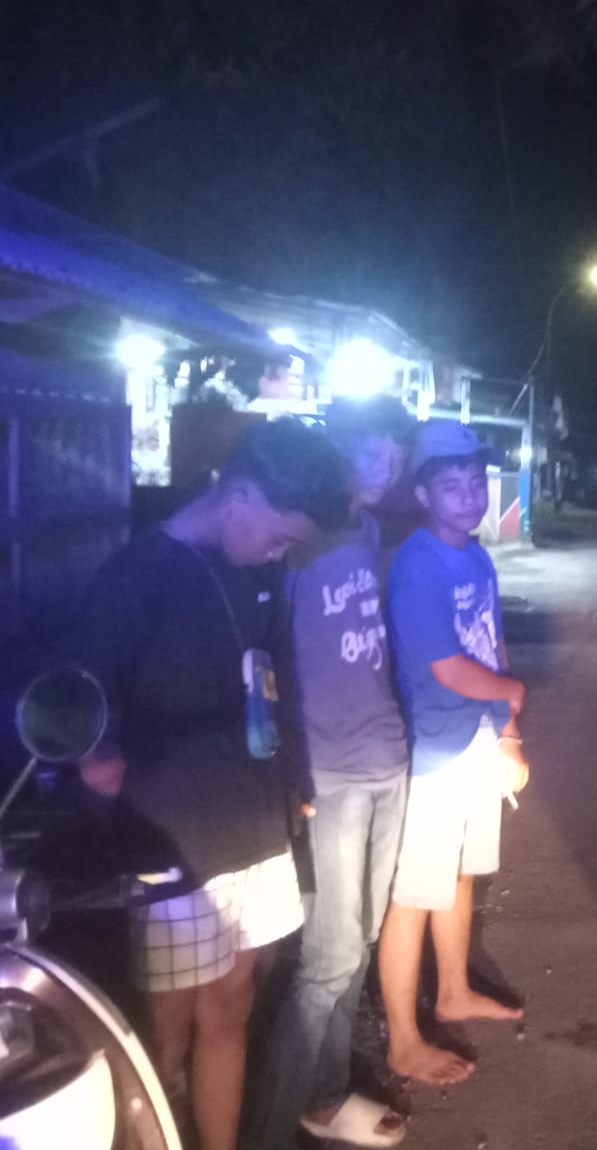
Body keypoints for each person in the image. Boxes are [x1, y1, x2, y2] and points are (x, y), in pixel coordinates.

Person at [76, 417, 350, 1150]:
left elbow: (277, 676)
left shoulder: (257, 567)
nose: (282, 554)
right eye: (280, 537)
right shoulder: (136, 576)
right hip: (172, 842)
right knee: (163, 1032)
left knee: (232, 1006)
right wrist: (97, 759)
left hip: (255, 823)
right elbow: (87, 700)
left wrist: (294, 779)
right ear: (238, 499)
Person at [243, 400, 473, 1150]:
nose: (387, 470)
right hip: (330, 770)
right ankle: (267, 1131)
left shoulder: (371, 530)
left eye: (395, 459)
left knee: (361, 940)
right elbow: (268, 658)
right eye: (375, 454)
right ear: (340, 450)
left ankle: (323, 1096)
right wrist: (288, 769)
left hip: (387, 758)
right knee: (328, 959)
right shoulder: (296, 540)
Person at [378, 420, 530, 1083]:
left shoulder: (477, 557)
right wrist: (513, 692)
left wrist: (508, 730)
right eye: (451, 486)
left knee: (462, 874)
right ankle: (402, 1040)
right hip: (434, 749)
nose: (469, 497)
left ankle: (453, 990)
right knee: (414, 893)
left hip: (476, 738)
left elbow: (491, 643)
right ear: (422, 494)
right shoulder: (417, 564)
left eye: (476, 483)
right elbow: (447, 667)